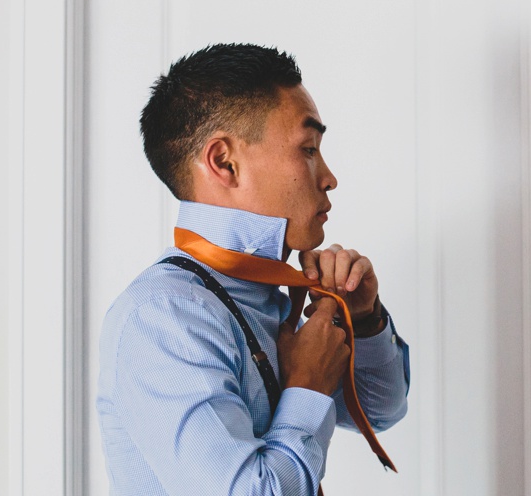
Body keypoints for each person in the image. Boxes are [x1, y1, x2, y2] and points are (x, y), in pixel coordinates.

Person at [97, 43, 409, 495]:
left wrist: (363, 319)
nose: (329, 177)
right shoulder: (163, 317)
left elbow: (382, 409)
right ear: (224, 162)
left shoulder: (271, 301)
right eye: (308, 149)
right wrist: (307, 386)